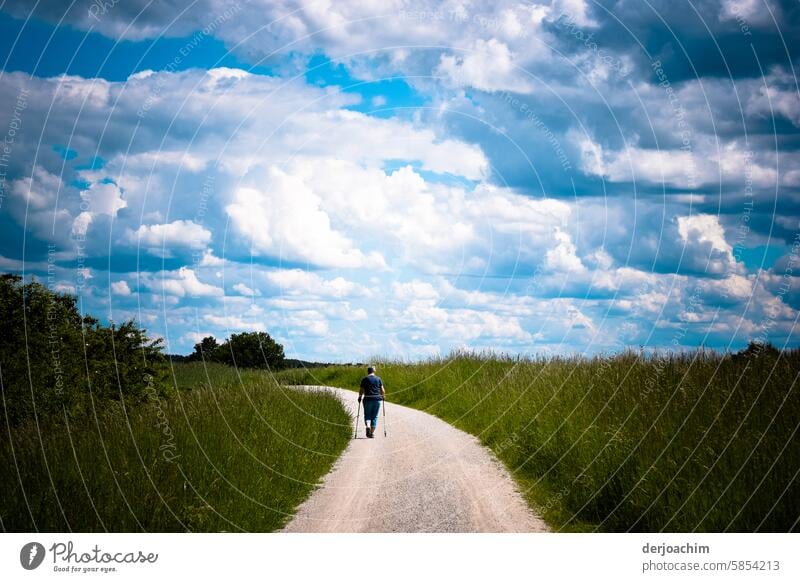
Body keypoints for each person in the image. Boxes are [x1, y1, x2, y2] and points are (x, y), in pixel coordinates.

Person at [358, 365, 385, 438]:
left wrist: (360, 397)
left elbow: (361, 390)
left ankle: (368, 427)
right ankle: (371, 433)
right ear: (374, 371)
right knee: (374, 416)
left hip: (367, 399)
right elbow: (382, 390)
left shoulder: (364, 379)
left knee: (367, 415)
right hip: (377, 399)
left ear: (368, 371)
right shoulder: (378, 379)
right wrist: (383, 396)